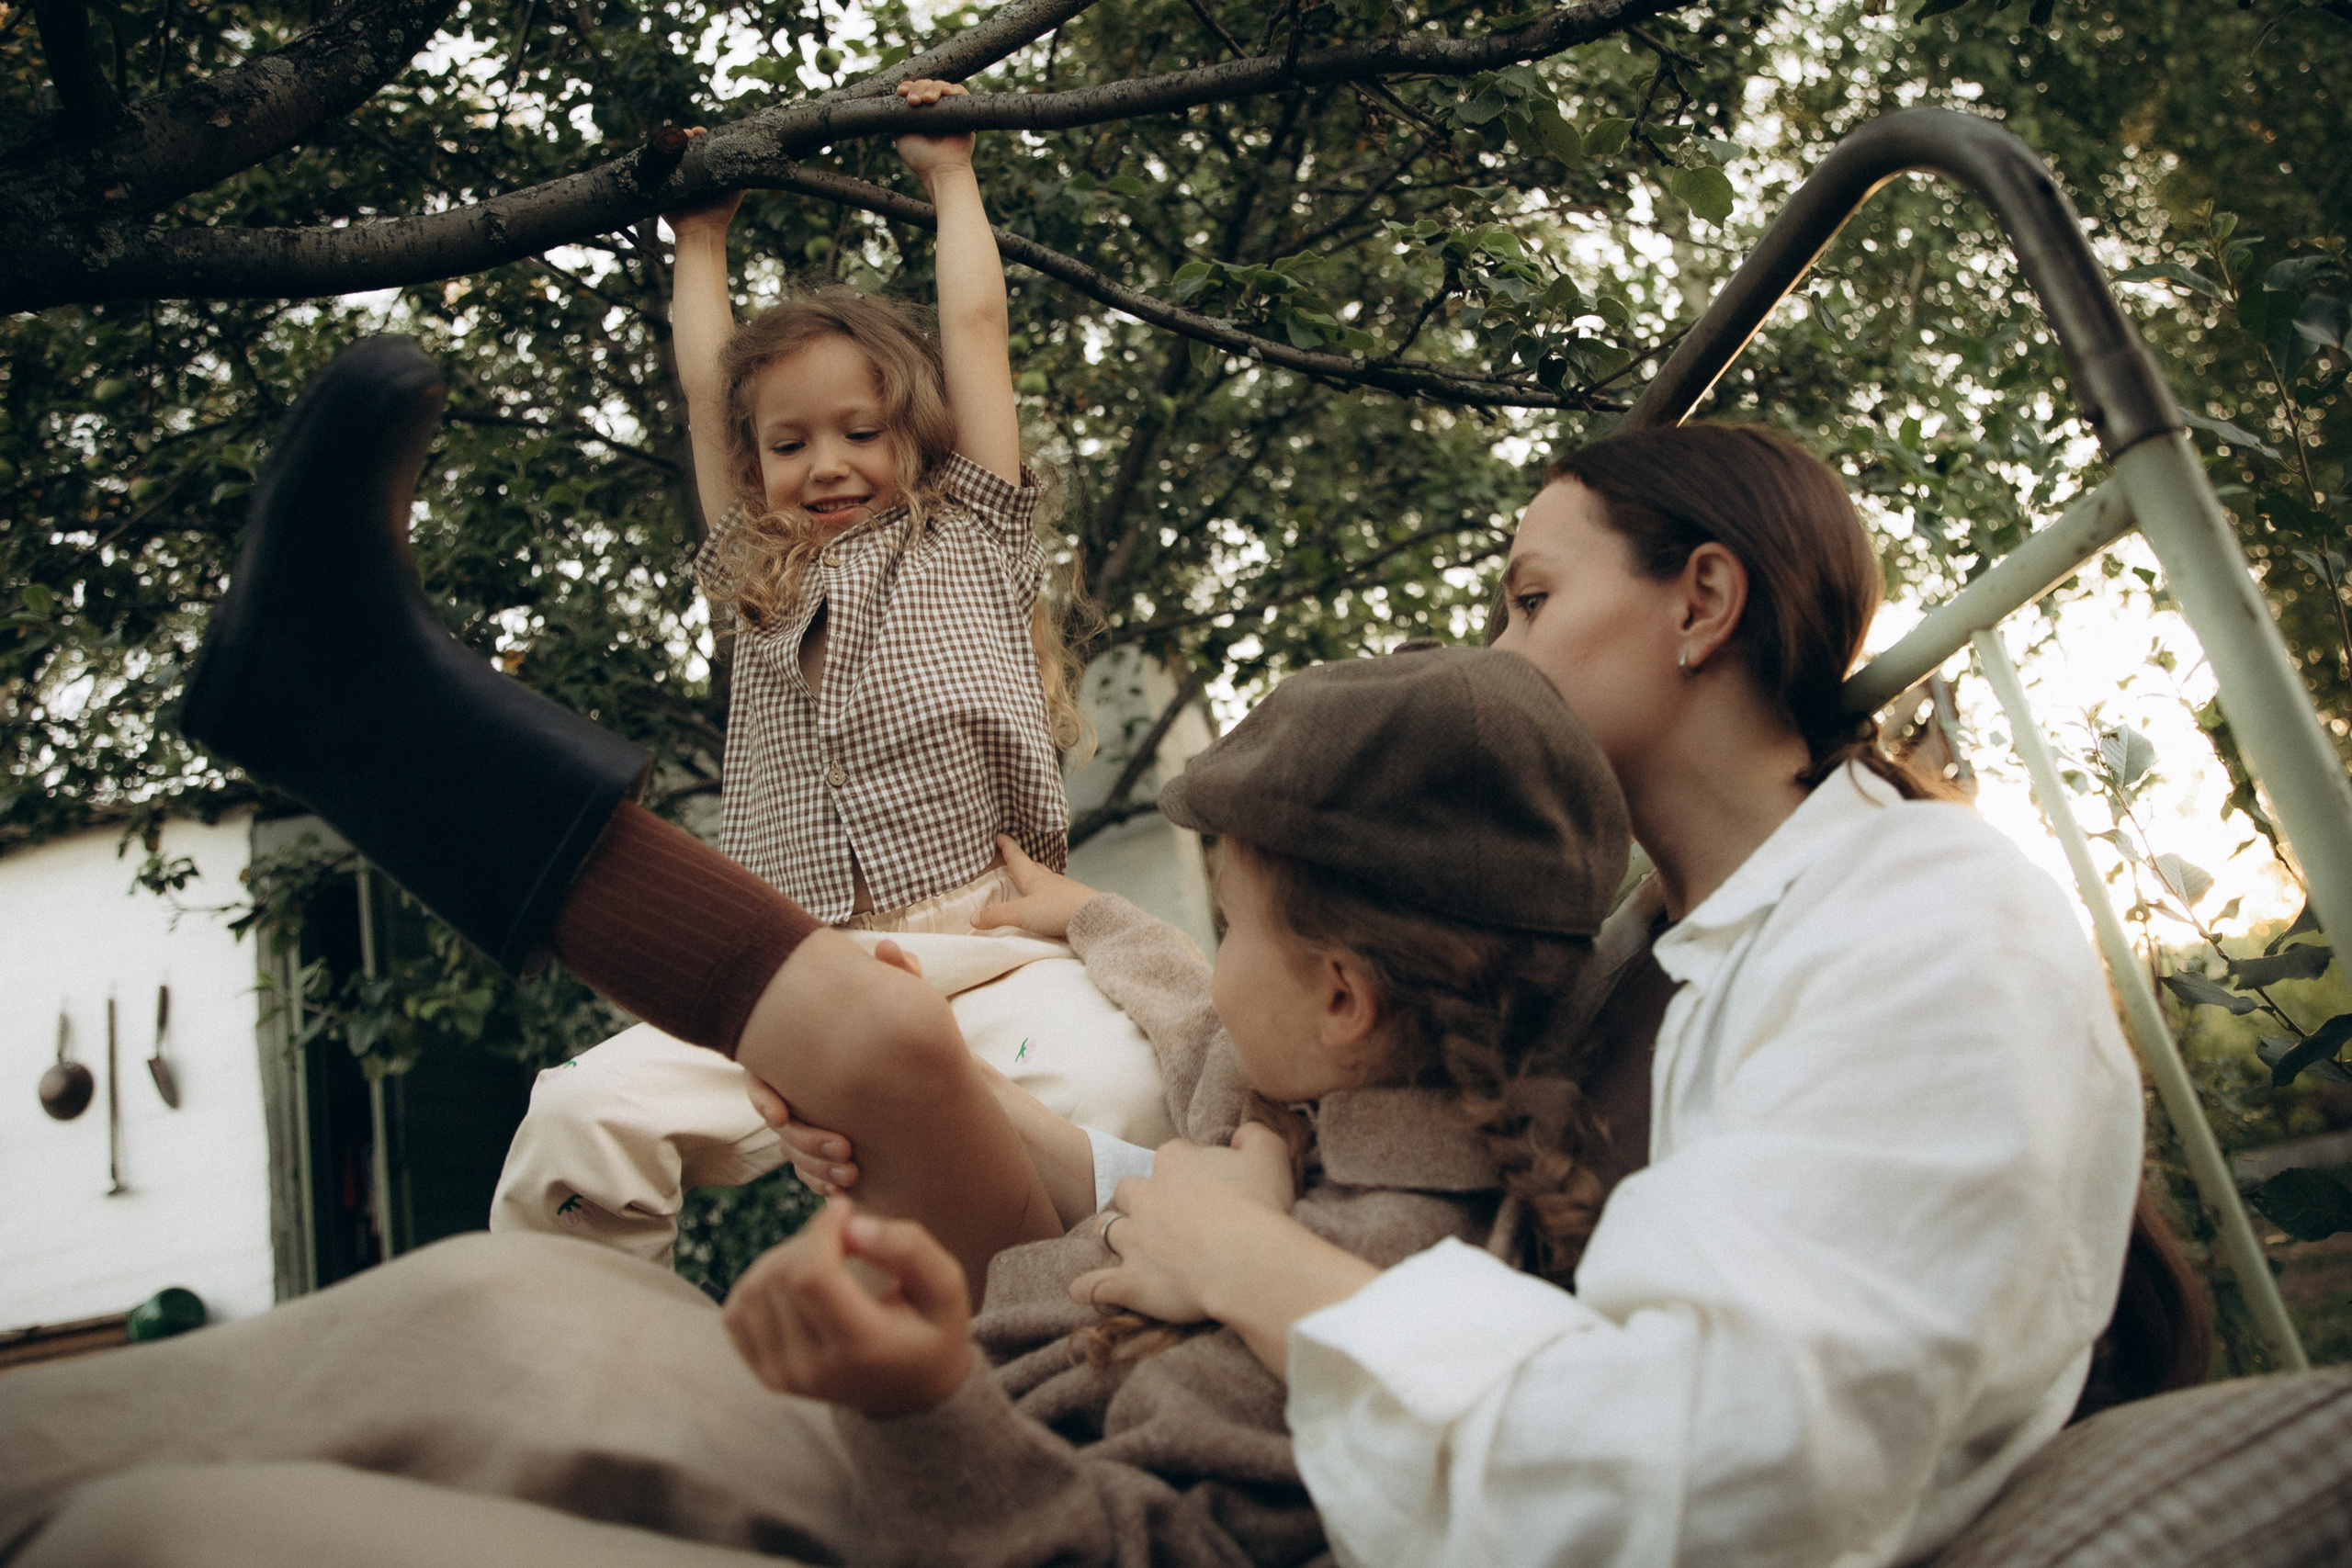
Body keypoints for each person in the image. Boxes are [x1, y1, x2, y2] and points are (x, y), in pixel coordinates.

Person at [2, 646, 1638, 1568]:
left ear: (1347, 993)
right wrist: (1078, 916)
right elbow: (1187, 995)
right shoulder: (1297, 1064)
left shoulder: (1403, 1289)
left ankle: (389, 730)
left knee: (170, 1533)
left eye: (1234, 910)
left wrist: (923, 1392)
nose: (1208, 951)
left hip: (944, 1503)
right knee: (501, 1296)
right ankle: (358, 704)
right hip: (930, 1429)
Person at [1054, 423, 2153, 1568]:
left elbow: (1739, 1467)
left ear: (1702, 601)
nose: (1492, 658)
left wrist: (1246, 1262)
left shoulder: (1931, 921)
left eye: (1529, 602)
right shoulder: (1620, 949)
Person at [490, 77, 1174, 1269]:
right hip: (803, 966)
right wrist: (698, 235)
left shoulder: (969, 532)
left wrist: (950, 176)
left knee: (1118, 1086)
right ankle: (598, 1373)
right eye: (791, 442)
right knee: (578, 1115)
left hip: (994, 943)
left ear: (917, 431)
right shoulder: (757, 578)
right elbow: (710, 394)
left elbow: (977, 332)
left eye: (861, 430)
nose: (828, 463)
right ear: (756, 468)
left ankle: (1068, 1338)